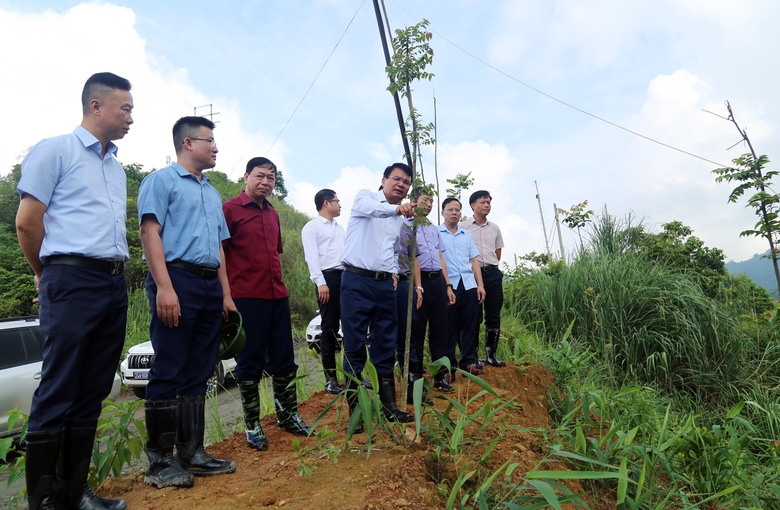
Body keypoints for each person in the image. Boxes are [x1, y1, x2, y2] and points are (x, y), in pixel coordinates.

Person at [16, 72, 133, 510]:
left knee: (93, 388)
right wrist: (44, 273)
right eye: (125, 108)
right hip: (70, 277)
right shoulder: (55, 150)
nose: (131, 118)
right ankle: (44, 501)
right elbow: (27, 223)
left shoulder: (117, 169)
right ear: (96, 106)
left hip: (113, 280)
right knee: (60, 385)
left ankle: (74, 493)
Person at [138, 116, 236, 489]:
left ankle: (192, 453)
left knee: (200, 369)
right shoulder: (161, 181)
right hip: (176, 279)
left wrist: (225, 294)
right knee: (170, 366)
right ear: (188, 143)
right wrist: (164, 287)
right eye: (210, 141)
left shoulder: (212, 192)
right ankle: (160, 462)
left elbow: (220, 248)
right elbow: (150, 232)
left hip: (209, 285)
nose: (216, 148)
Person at [223, 157, 312, 451]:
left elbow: (275, 253)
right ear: (246, 176)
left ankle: (287, 416)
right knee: (250, 362)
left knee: (284, 359)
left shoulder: (273, 213)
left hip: (277, 296)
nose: (265, 182)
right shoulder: (229, 210)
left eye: (271, 178)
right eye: (260, 176)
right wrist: (225, 297)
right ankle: (252, 424)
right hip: (245, 297)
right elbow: (219, 255)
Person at [340, 163, 417, 427]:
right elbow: (374, 210)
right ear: (383, 180)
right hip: (356, 281)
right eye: (397, 179)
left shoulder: (398, 217)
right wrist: (397, 209)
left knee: (385, 343)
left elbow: (391, 250)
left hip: (384, 285)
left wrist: (393, 271)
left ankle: (389, 408)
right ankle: (356, 414)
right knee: (354, 344)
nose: (401, 185)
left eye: (406, 182)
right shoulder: (366, 198)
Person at [408, 191, 456, 399]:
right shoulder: (407, 226)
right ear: (413, 202)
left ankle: (439, 376)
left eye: (431, 202)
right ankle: (416, 378)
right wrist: (418, 286)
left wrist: (448, 285)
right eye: (424, 201)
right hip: (419, 283)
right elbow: (411, 259)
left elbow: (441, 258)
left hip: (437, 281)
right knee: (417, 331)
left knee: (440, 330)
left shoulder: (433, 228)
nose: (428, 205)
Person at [301, 189, 345, 395]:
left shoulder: (340, 228)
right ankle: (331, 379)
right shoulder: (312, 227)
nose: (340, 204)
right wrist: (321, 282)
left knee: (351, 326)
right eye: (337, 201)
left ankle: (354, 375)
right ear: (326, 203)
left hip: (346, 277)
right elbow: (312, 257)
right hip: (327, 279)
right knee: (329, 328)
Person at [439, 198, 486, 387]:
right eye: (450, 209)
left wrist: (480, 285)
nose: (454, 213)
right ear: (442, 212)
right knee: (448, 327)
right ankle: (449, 367)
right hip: (448, 285)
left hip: (468, 284)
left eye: (457, 210)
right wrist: (446, 285)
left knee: (470, 324)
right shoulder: (436, 233)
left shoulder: (466, 235)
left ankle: (468, 362)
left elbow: (474, 261)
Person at [461, 190, 506, 367]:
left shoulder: (495, 228)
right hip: (472, 275)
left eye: (488, 202)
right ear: (473, 205)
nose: (487, 205)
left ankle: (491, 355)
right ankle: (472, 357)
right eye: (483, 202)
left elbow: (497, 252)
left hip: (493, 274)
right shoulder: (464, 227)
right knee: (473, 316)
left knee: (493, 315)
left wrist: (490, 267)